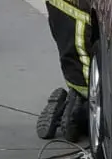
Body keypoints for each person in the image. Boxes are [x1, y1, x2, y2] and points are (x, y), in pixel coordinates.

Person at [37, 0, 96, 143]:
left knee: (80, 67)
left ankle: (71, 103)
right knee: (92, 88)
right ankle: (77, 109)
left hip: (63, 9)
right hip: (80, 11)